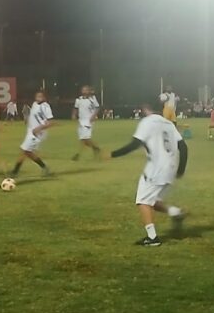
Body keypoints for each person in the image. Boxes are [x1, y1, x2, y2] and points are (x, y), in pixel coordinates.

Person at [110, 101, 188, 247]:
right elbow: (183, 147)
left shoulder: (147, 122)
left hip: (156, 169)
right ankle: (176, 213)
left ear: (145, 108)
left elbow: (135, 144)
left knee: (143, 201)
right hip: (170, 168)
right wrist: (180, 170)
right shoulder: (169, 123)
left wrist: (113, 154)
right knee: (153, 201)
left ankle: (152, 238)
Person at [11, 89, 54, 177]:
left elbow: (50, 122)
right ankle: (45, 167)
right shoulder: (34, 104)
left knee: (24, 151)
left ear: (44, 97)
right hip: (30, 132)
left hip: (37, 133)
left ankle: (14, 172)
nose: (38, 98)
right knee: (28, 153)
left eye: (40, 96)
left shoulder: (45, 107)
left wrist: (39, 128)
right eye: (37, 96)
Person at [72, 85, 102, 160]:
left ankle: (78, 155)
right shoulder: (78, 99)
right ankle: (96, 148)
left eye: (86, 90)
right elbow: (76, 108)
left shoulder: (92, 99)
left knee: (86, 139)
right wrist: (74, 115)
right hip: (81, 121)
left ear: (89, 91)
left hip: (88, 121)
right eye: (83, 90)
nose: (84, 91)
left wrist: (94, 116)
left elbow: (97, 108)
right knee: (83, 140)